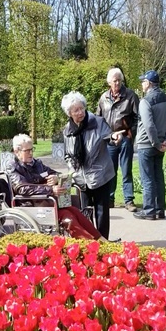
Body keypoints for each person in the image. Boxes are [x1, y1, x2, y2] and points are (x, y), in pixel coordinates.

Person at [7, 134, 107, 241]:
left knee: (75, 211)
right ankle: (92, 245)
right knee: (68, 218)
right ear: (17, 151)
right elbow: (21, 188)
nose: (31, 153)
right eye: (27, 151)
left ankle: (101, 240)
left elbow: (56, 173)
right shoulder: (13, 167)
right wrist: (50, 190)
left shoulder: (37, 164)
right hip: (31, 204)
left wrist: (56, 177)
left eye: (32, 149)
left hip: (47, 202)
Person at [62, 91, 123, 240]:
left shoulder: (97, 122)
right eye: (76, 110)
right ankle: (90, 243)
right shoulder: (67, 130)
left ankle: (104, 241)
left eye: (82, 108)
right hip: (80, 178)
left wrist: (115, 137)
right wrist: (73, 169)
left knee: (102, 212)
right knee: (85, 212)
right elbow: (67, 155)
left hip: (100, 174)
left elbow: (109, 136)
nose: (80, 112)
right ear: (69, 113)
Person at [133, 70, 166, 220]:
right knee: (158, 177)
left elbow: (149, 125)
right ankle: (160, 209)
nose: (142, 84)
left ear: (149, 83)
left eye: (143, 81)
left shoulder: (146, 101)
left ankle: (149, 210)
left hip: (147, 144)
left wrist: (156, 143)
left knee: (148, 179)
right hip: (161, 144)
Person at [97, 67, 139, 211]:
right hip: (110, 139)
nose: (117, 83)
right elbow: (99, 119)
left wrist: (129, 134)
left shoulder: (131, 96)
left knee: (126, 170)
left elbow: (137, 118)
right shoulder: (103, 98)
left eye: (119, 80)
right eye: (114, 81)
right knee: (110, 170)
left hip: (125, 138)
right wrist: (105, 136)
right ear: (109, 82)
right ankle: (110, 199)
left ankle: (129, 201)